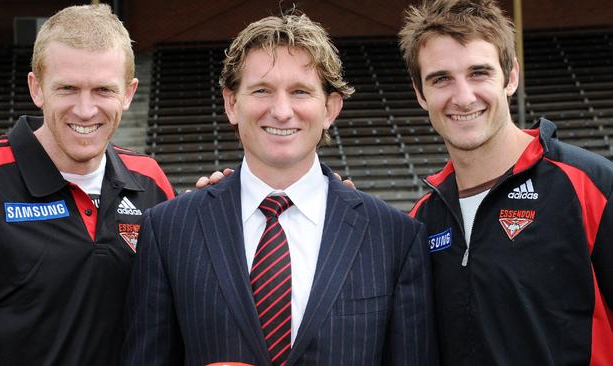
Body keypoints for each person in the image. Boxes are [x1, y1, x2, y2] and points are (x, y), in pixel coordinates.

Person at [122, 12, 436, 366]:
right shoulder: (168, 231)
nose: (282, 111)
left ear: (331, 108)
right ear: (231, 104)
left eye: (300, 92)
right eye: (262, 90)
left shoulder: (394, 238)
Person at [400, 0, 613, 364]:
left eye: (479, 73)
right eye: (441, 79)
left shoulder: (589, 184)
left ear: (511, 76)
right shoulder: (422, 219)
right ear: (421, 93)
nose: (463, 97)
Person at [0, 4, 174, 365]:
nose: (86, 109)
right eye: (68, 88)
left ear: (128, 92)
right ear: (37, 88)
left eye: (104, 90)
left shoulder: (150, 179)